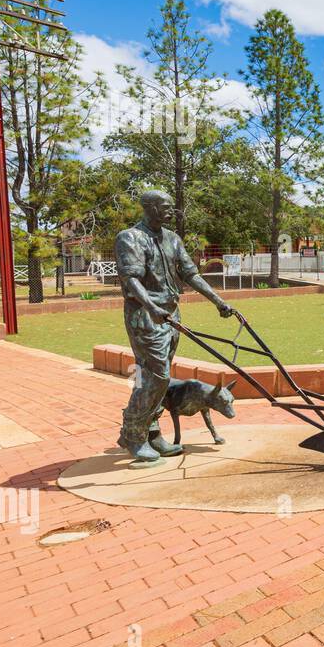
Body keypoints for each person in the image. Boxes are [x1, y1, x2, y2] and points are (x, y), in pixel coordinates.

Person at [116, 189, 234, 464]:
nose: (170, 210)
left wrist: (219, 301)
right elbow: (130, 280)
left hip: (170, 314)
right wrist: (151, 307)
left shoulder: (172, 238)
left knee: (157, 376)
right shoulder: (130, 237)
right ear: (149, 207)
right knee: (156, 376)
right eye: (164, 206)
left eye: (171, 206)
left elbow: (190, 273)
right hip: (145, 316)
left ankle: (152, 432)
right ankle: (133, 435)